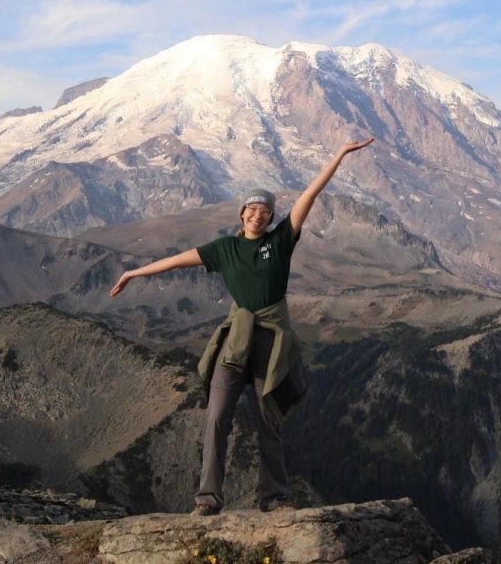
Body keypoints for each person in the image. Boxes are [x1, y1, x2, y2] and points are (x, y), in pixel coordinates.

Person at [109, 137, 375, 515]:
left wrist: (340, 154)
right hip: (236, 340)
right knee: (217, 417)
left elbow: (309, 196)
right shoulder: (224, 250)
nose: (258, 215)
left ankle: (275, 497)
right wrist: (134, 272)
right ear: (242, 214)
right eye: (252, 209)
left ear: (269, 217)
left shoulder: (281, 241)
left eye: (264, 211)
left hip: (269, 339)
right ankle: (207, 500)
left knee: (270, 421)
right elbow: (175, 261)